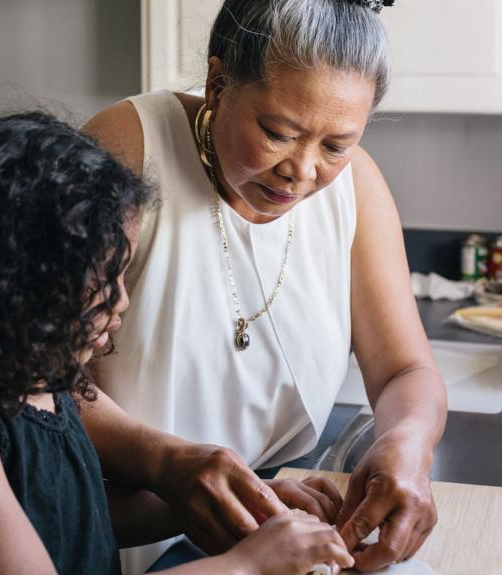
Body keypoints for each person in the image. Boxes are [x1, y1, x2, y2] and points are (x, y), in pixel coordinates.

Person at [0, 111, 355, 575]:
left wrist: (247, 507)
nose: (121, 302)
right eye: (105, 279)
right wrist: (249, 564)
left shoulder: (45, 387)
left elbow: (74, 514)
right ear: (15, 281)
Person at [83, 0, 447, 572]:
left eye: (335, 146)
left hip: (279, 518)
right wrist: (169, 464)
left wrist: (408, 442)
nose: (302, 172)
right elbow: (31, 379)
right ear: (218, 82)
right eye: (278, 133)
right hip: (125, 523)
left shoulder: (358, 188)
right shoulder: (127, 151)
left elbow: (406, 371)